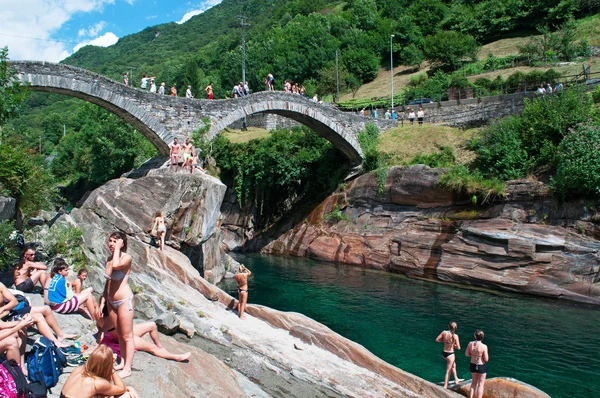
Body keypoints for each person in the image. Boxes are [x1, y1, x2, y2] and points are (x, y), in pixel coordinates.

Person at [98, 232, 135, 378]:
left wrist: (119, 248)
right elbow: (108, 281)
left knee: (127, 336)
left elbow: (117, 265)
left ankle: (128, 368)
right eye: (110, 241)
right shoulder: (109, 258)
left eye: (115, 241)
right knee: (119, 333)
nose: (111, 244)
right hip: (111, 301)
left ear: (122, 243)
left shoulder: (126, 258)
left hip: (124, 300)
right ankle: (123, 361)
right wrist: (103, 300)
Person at [1, 281, 75, 349]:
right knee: (38, 316)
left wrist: (2, 309)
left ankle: (60, 334)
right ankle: (56, 343)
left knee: (46, 309)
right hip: (3, 319)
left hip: (10, 312)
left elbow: (14, 302)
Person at [97, 315, 191, 363]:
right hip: (125, 337)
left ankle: (160, 346)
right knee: (152, 348)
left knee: (152, 325)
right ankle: (176, 357)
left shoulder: (103, 313)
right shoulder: (108, 317)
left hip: (127, 331)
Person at [60, 345, 139, 398]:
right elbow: (121, 388)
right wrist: (111, 368)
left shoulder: (78, 370)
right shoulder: (97, 383)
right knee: (127, 395)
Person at [436, 321, 462, 389]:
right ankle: (445, 386)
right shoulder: (455, 336)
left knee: (454, 365)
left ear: (448, 326)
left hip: (444, 353)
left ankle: (456, 379)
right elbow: (459, 348)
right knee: (448, 371)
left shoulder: (444, 332)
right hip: (450, 355)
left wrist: (445, 341)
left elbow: (437, 340)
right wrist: (453, 345)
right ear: (456, 328)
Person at [465, 330, 489, 398]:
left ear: (475, 336)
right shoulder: (484, 346)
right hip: (481, 366)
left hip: (472, 365)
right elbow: (486, 359)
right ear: (482, 337)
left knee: (473, 383)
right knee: (481, 385)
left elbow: (466, 354)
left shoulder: (470, 344)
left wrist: (473, 355)